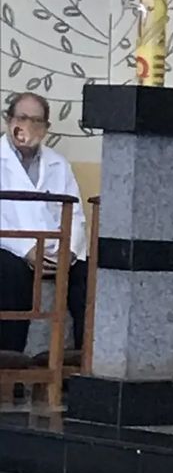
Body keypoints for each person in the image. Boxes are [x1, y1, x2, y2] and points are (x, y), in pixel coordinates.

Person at [0, 94, 89, 355]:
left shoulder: (58, 164)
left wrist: (67, 252)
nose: (29, 126)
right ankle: (10, 363)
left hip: (55, 251)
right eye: (22, 118)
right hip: (12, 248)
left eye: (37, 121)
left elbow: (75, 215)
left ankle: (83, 368)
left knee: (89, 277)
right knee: (11, 273)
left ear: (46, 128)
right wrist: (28, 250)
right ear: (9, 120)